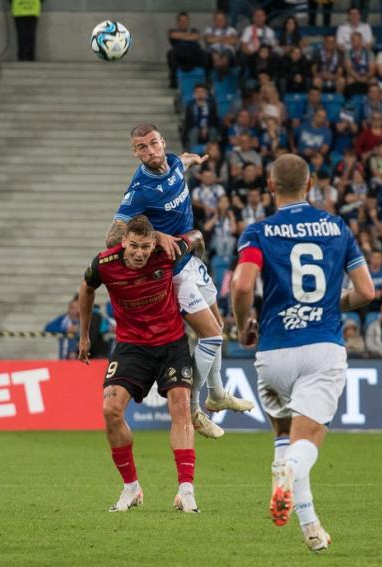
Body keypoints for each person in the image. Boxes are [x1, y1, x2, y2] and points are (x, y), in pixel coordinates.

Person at [230, 154, 375, 552]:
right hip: (321, 347)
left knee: (285, 436)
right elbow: (367, 292)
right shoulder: (336, 226)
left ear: (271, 187)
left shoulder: (259, 231)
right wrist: (331, 302)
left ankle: (312, 529)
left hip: (274, 352)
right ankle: (288, 472)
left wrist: (243, 326)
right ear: (310, 186)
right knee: (306, 443)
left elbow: (242, 286)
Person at [106, 123, 254, 440]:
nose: (150, 150)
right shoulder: (140, 188)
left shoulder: (173, 162)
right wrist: (156, 235)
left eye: (154, 143)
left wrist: (194, 159)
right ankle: (195, 407)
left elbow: (182, 160)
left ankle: (217, 392)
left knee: (218, 328)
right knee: (212, 336)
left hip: (190, 259)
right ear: (134, 152)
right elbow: (113, 237)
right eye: (142, 147)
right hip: (171, 271)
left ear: (163, 142)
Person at [78, 216, 203, 513]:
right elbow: (86, 289)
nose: (139, 253)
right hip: (131, 346)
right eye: (133, 246)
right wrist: (83, 335)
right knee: (110, 410)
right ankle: (131, 487)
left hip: (171, 343)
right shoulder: (104, 263)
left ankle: (186, 490)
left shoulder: (167, 251)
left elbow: (197, 236)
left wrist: (166, 240)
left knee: (181, 405)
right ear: (124, 243)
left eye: (145, 246)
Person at [167, 12, 206, 88]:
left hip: (192, 56)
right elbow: (173, 35)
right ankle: (174, 80)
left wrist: (181, 36)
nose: (183, 22)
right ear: (177, 22)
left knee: (204, 53)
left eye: (185, 20)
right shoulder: (172, 30)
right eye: (181, 20)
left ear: (188, 22)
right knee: (170, 53)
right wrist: (189, 36)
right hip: (180, 57)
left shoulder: (194, 30)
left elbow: (196, 36)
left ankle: (205, 79)